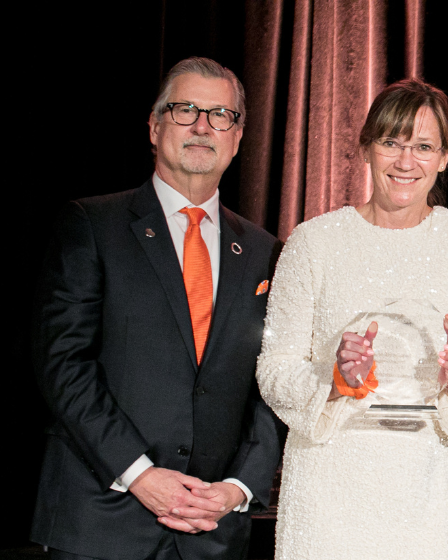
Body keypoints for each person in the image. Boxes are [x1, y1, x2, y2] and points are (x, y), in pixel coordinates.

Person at [31, 57, 283, 559]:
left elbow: (272, 382)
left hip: (212, 529)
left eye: (220, 116)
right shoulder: (92, 225)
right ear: (154, 125)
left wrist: (238, 487)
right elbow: (63, 363)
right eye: (185, 110)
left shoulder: (265, 251)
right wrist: (139, 474)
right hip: (101, 522)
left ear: (237, 138)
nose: (202, 126)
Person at [255, 78, 448, 560]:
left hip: (432, 489)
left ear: (445, 157)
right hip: (329, 488)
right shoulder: (313, 242)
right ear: (366, 147)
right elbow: (274, 367)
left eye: (424, 147)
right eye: (391, 143)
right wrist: (336, 378)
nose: (406, 162)